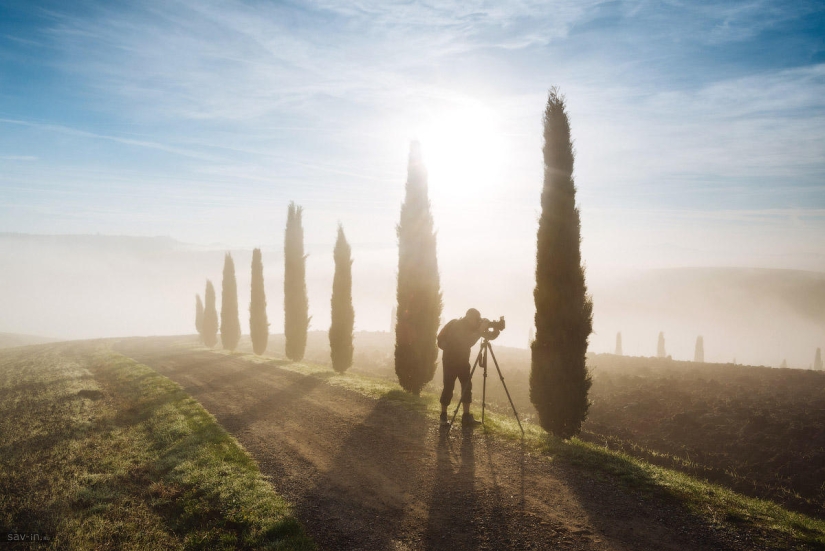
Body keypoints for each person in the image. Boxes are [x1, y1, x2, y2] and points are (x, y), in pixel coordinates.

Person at [437, 308, 500, 427]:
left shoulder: (473, 326)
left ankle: (466, 417)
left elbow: (488, 336)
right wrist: (479, 330)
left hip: (463, 361)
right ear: (470, 317)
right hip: (450, 360)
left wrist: (495, 330)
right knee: (448, 387)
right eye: (477, 319)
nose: (478, 322)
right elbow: (467, 342)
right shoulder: (457, 326)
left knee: (467, 386)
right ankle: (443, 416)